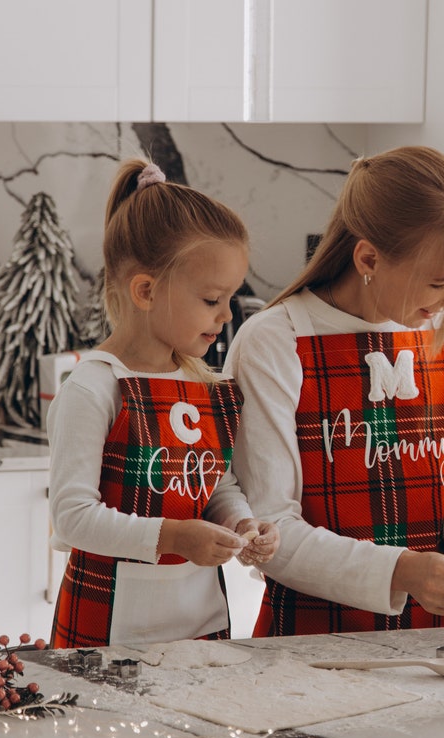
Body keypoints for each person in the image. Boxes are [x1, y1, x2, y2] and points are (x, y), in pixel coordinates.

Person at [224, 145, 444, 637]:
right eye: (438, 283)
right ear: (368, 257)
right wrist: (404, 572)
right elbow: (270, 530)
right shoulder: (275, 342)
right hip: (306, 644)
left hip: (434, 643)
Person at [48, 159, 280, 649]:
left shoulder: (205, 385)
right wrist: (173, 538)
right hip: (106, 627)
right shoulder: (94, 387)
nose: (225, 315)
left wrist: (241, 522)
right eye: (212, 298)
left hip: (201, 623)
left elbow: (214, 483)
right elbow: (72, 517)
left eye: (230, 298)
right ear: (147, 291)